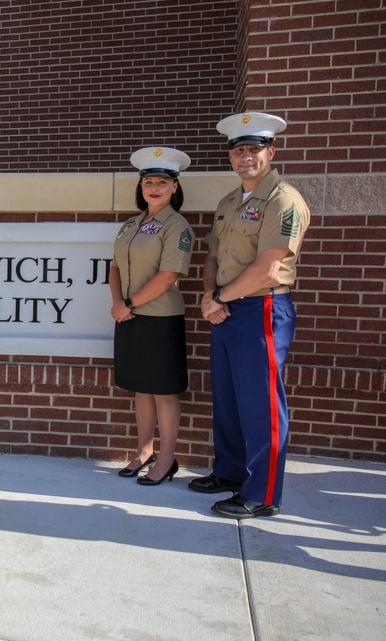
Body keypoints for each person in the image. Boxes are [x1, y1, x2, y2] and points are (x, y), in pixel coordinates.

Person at [190, 112, 310, 519]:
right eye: (239, 150)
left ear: (270, 152)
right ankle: (230, 472)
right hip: (226, 308)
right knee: (228, 397)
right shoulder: (228, 202)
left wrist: (219, 297)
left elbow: (267, 268)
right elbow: (211, 255)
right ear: (231, 156)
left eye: (254, 150)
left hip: (261, 308)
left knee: (261, 403)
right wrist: (211, 296)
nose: (246, 157)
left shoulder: (284, 200)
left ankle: (262, 493)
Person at [110, 147, 194, 486]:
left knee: (163, 391)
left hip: (160, 318)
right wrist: (119, 304)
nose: (154, 187)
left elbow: (169, 276)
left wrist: (128, 304)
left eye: (162, 181)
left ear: (174, 187)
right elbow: (115, 267)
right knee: (140, 389)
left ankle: (167, 458)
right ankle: (143, 451)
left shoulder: (177, 226)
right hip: (129, 316)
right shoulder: (131, 224)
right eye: (148, 181)